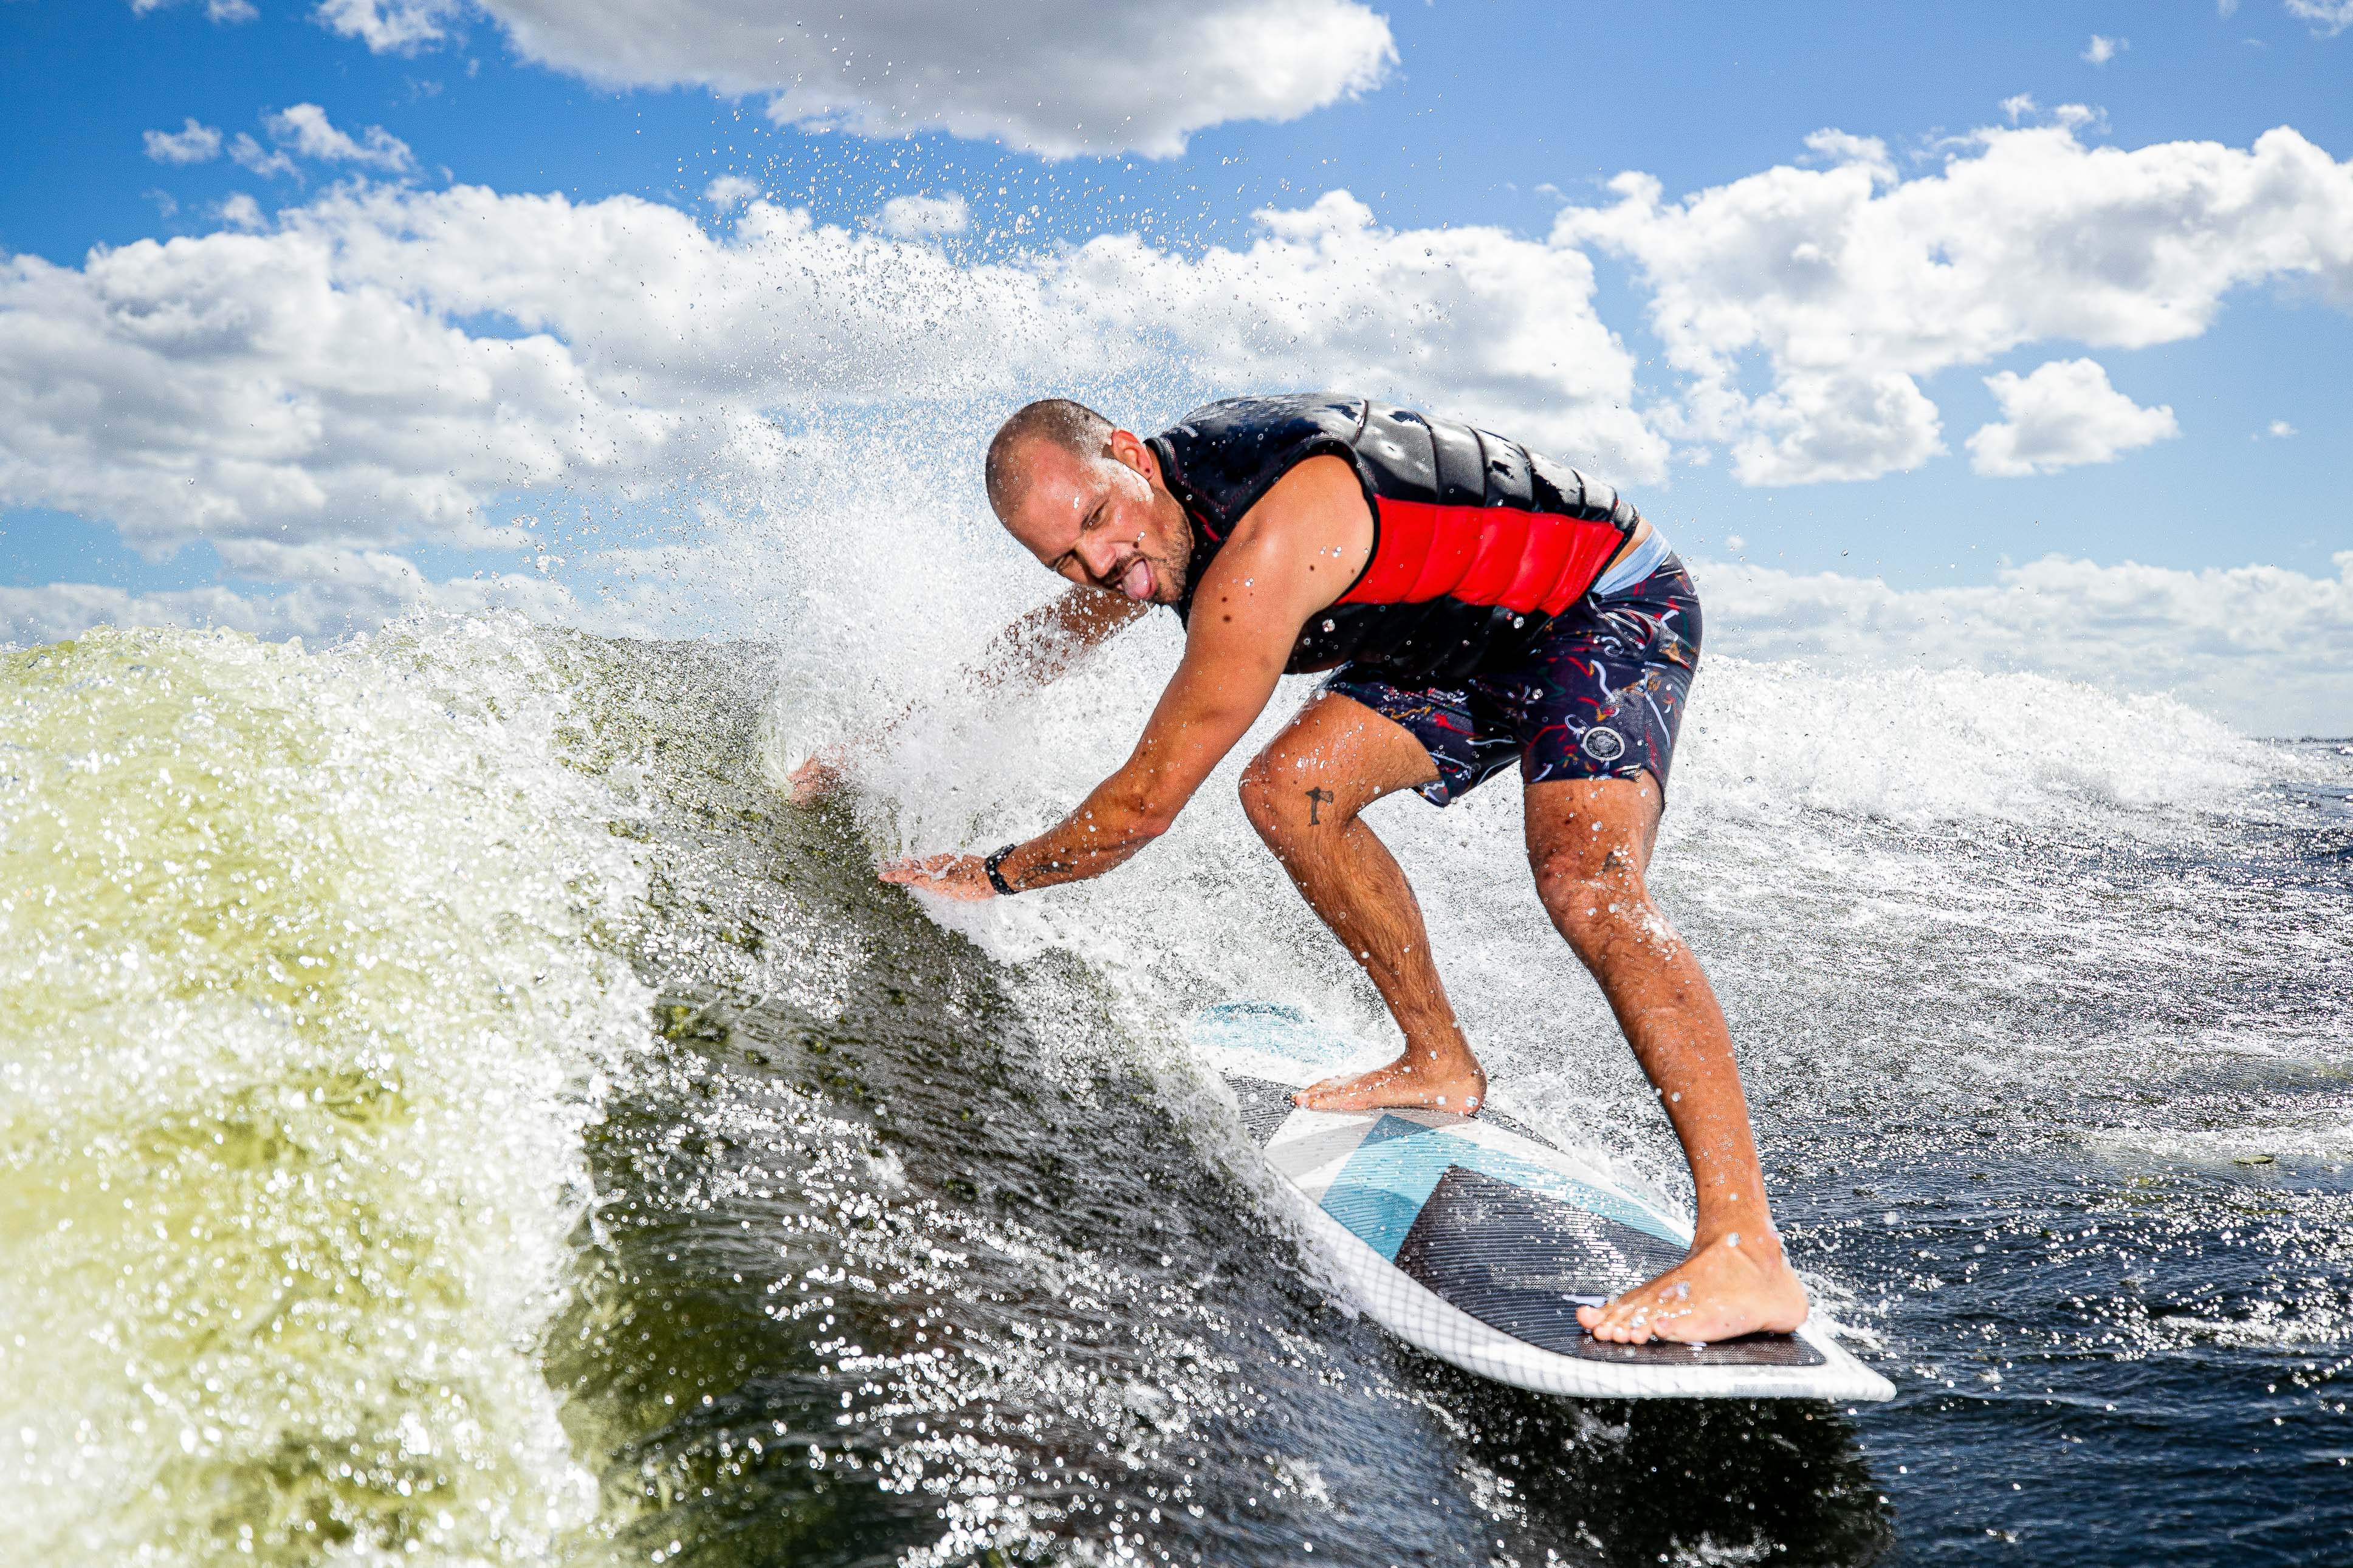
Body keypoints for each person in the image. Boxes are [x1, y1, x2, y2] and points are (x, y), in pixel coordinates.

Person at [795, 394, 1806, 1347]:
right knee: (1291, 791)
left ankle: (1743, 1249)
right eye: (1067, 556)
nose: (1102, 564)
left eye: (1101, 519)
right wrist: (871, 749)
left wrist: (990, 873)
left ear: (1136, 457)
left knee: (1587, 882)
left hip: (1600, 603)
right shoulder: (1151, 530)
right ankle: (1440, 1060)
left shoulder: (1258, 552)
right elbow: (1041, 648)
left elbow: (1143, 805)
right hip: (1463, 636)